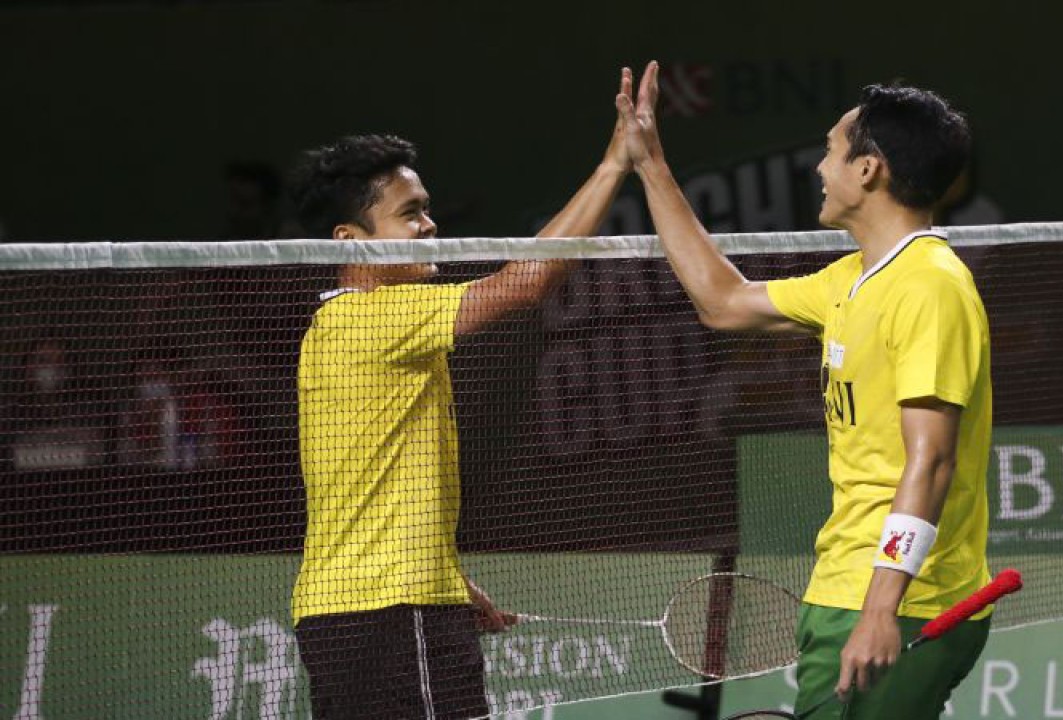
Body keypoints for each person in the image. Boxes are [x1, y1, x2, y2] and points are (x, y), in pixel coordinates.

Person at [617, 62, 992, 719]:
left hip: (899, 597)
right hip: (850, 584)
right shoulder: (854, 279)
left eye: (830, 151)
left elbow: (931, 459)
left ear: (868, 169)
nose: (818, 168)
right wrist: (650, 164)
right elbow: (723, 300)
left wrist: (881, 608)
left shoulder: (929, 287)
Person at [289, 70, 635, 720]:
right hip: (391, 615)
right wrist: (616, 164)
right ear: (350, 239)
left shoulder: (339, 325)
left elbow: (375, 486)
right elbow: (525, 282)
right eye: (409, 213)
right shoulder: (371, 318)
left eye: (426, 208)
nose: (430, 225)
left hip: (366, 610)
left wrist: (449, 581)